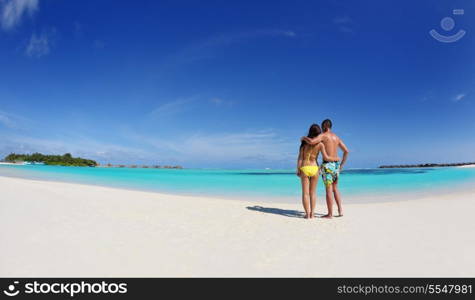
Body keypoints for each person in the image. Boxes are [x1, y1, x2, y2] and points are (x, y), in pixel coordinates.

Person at [301, 119, 349, 218]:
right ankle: (340, 210)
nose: (322, 130)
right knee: (335, 188)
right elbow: (346, 151)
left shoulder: (323, 136)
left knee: (328, 189)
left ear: (325, 126)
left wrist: (303, 138)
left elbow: (311, 141)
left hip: (328, 165)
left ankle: (330, 214)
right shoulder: (336, 137)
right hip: (336, 165)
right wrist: (341, 165)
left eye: (322, 127)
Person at [297, 124, 339, 219]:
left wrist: (298, 169)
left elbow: (300, 157)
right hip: (315, 168)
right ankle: (312, 214)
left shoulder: (304, 143)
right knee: (313, 193)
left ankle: (307, 214)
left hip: (305, 167)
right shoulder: (320, 144)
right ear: (318, 133)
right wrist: (336, 158)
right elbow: (326, 157)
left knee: (305, 193)